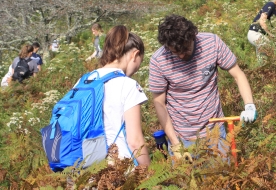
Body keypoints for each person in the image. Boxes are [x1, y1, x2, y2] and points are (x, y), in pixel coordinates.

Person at [149, 15, 256, 162]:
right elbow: (159, 103)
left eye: (185, 49)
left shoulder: (211, 43)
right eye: (175, 52)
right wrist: (175, 144)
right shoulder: (158, 60)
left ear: (194, 36)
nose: (181, 55)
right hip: (182, 138)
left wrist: (249, 105)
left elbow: (237, 74)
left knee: (222, 182)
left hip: (216, 134)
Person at [76, 25, 150, 166]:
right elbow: (135, 142)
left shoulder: (83, 80)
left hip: (84, 165)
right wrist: (152, 176)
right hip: (118, 167)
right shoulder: (128, 85)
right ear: (135, 55)